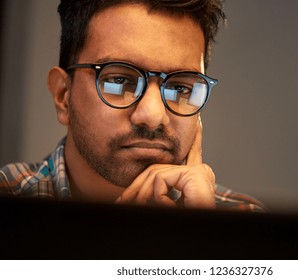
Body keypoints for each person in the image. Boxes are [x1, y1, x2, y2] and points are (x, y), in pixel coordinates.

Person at [0, 0, 265, 212]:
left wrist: (201, 243)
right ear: (63, 95)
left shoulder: (249, 228)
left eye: (181, 88)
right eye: (119, 80)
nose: (152, 115)